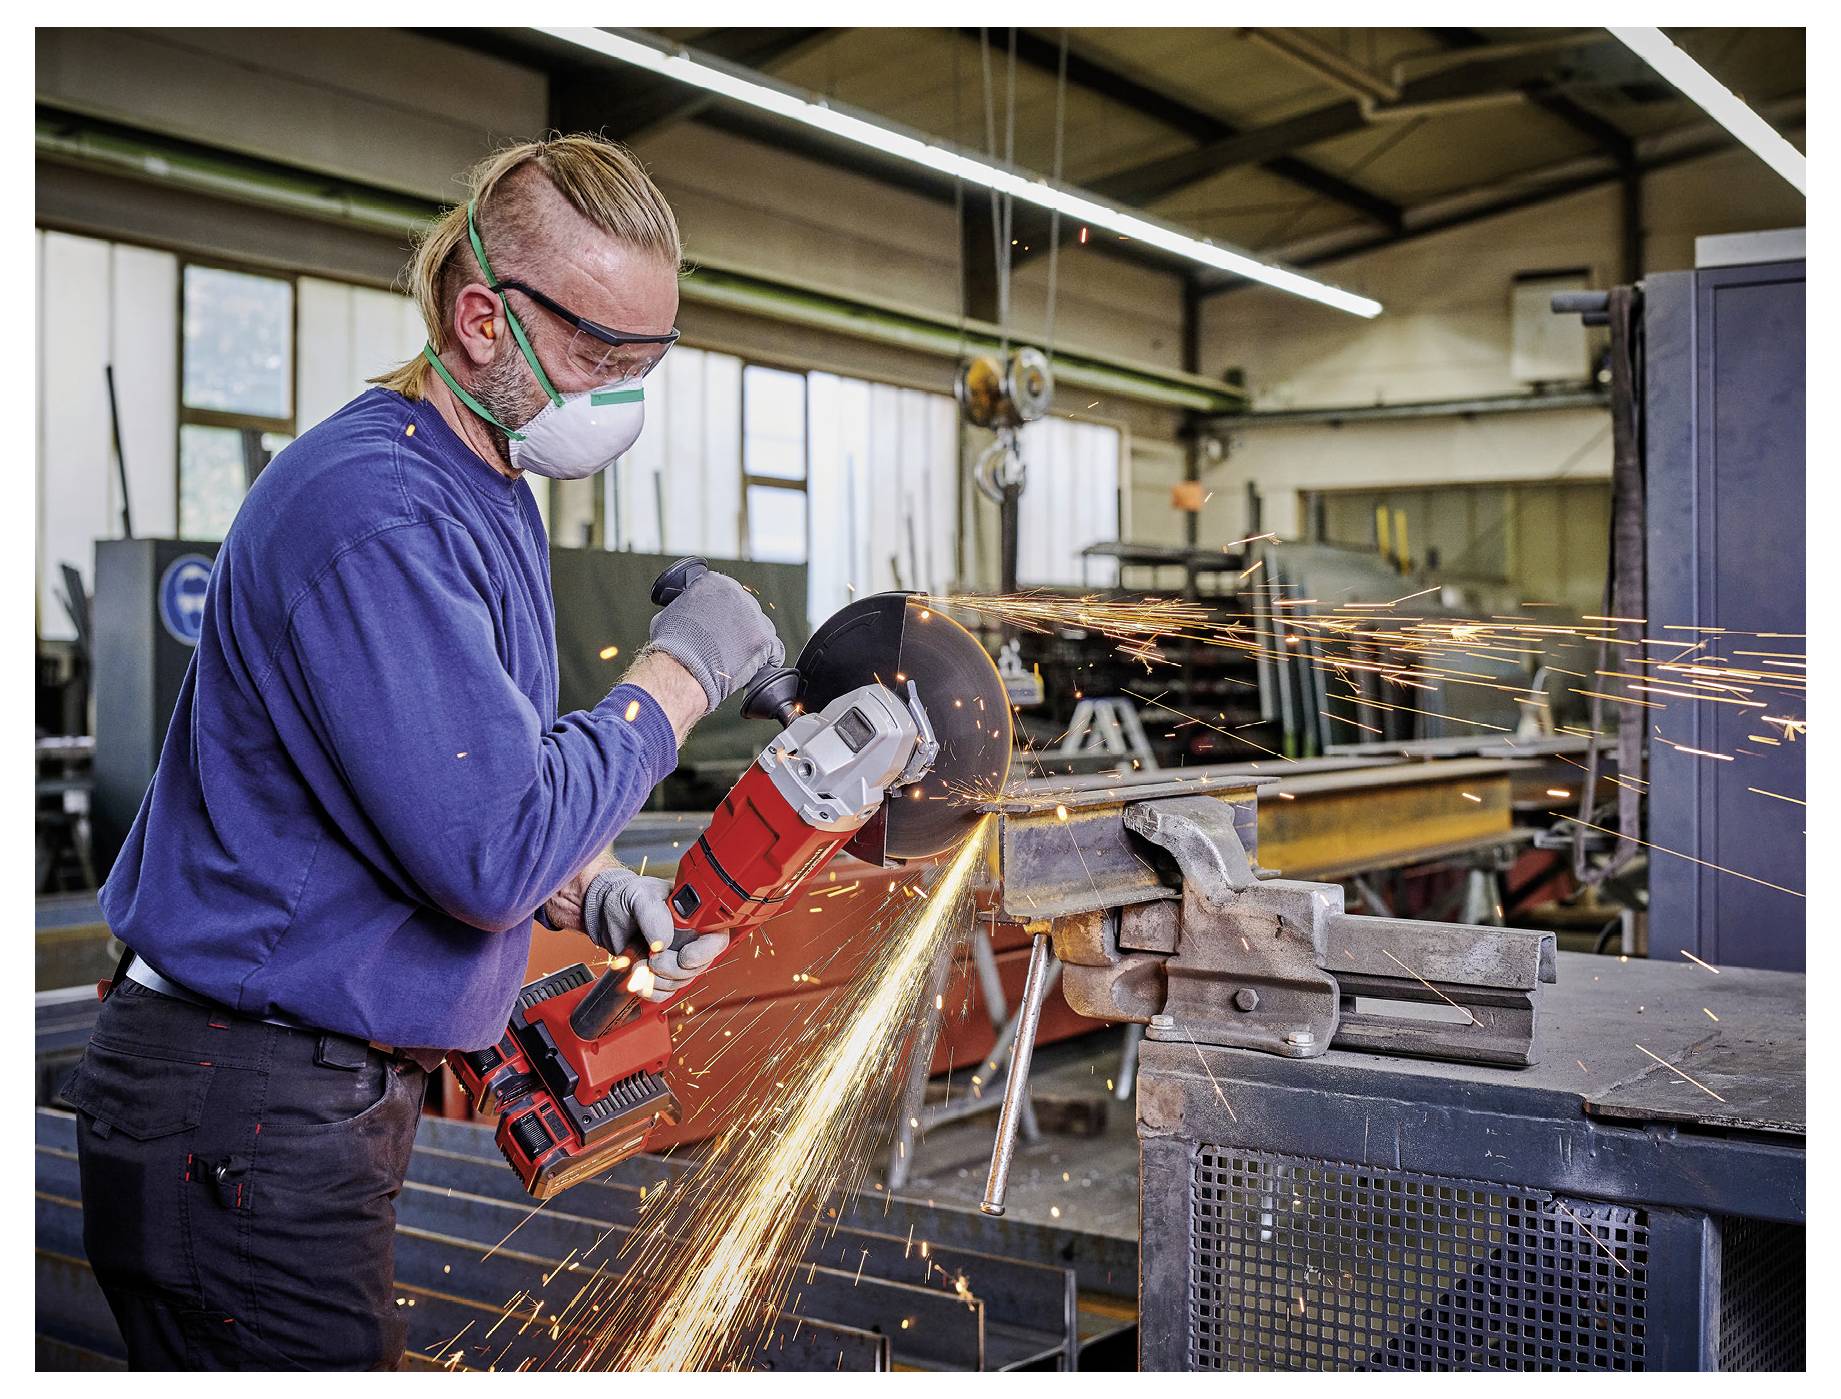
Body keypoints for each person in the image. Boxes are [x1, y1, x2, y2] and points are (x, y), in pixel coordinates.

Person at [63, 135, 779, 1370]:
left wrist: (592, 886)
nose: (620, 392)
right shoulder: (376, 511)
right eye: (597, 355)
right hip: (243, 1105)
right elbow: (486, 849)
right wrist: (679, 677)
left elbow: (447, 784)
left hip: (292, 1104)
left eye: (644, 361)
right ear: (481, 319)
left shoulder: (480, 484)